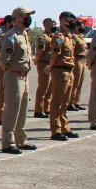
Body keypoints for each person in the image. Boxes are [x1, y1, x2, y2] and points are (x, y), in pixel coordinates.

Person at [0, 7, 38, 154]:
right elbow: (3, 60)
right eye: (26, 16)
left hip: (24, 75)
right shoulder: (11, 35)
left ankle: (21, 140)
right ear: (18, 18)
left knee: (22, 110)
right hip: (14, 76)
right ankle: (8, 143)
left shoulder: (24, 34)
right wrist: (8, 69)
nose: (28, 18)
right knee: (12, 110)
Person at [45, 11, 79, 141]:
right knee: (57, 103)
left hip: (69, 71)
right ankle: (56, 130)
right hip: (60, 71)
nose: (72, 23)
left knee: (65, 103)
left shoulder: (70, 36)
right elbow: (55, 54)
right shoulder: (58, 37)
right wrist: (50, 67)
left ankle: (65, 127)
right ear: (63, 21)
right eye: (70, 20)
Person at [33, 18, 56, 118]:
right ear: (47, 26)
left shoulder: (54, 37)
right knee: (43, 87)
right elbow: (39, 52)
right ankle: (39, 110)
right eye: (53, 24)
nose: (55, 26)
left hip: (51, 64)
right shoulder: (44, 38)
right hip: (44, 64)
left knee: (50, 88)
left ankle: (46, 108)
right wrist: (37, 60)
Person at [0, 15, 14, 125]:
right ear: (7, 24)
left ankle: (11, 116)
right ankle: (0, 117)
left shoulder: (19, 35)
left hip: (14, 67)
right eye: (13, 22)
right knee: (2, 90)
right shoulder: (3, 36)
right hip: (3, 66)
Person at [69, 24, 88, 111]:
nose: (83, 28)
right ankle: (70, 102)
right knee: (75, 82)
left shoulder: (81, 37)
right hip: (77, 59)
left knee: (80, 82)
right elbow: (72, 49)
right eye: (81, 26)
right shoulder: (74, 37)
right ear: (76, 27)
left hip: (83, 60)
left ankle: (77, 102)